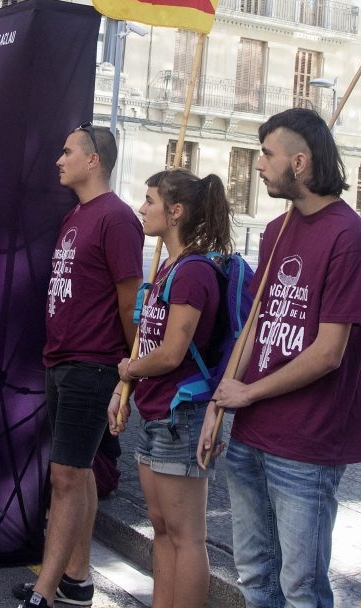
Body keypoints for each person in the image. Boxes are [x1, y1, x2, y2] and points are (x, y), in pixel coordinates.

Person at [198, 107, 361, 608]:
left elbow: (328, 353)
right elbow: (255, 322)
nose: (259, 165)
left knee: (302, 588)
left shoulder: (350, 238)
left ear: (299, 163)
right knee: (254, 575)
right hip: (251, 434)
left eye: (267, 155)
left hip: (307, 445)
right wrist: (219, 406)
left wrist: (246, 391)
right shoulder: (276, 231)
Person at [15, 123, 143, 608]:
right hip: (61, 361)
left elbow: (131, 303)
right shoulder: (75, 217)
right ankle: (77, 578)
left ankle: (45, 593)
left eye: (67, 151)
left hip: (93, 366)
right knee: (81, 472)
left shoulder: (116, 219)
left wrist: (127, 376)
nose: (58, 159)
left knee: (66, 477)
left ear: (94, 160)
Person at [108, 168, 230, 608]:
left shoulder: (194, 272)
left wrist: (127, 372)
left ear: (175, 212)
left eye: (150, 200)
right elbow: (152, 341)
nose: (142, 208)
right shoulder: (166, 267)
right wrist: (123, 390)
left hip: (183, 418)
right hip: (157, 414)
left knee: (186, 536)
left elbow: (172, 352)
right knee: (160, 528)